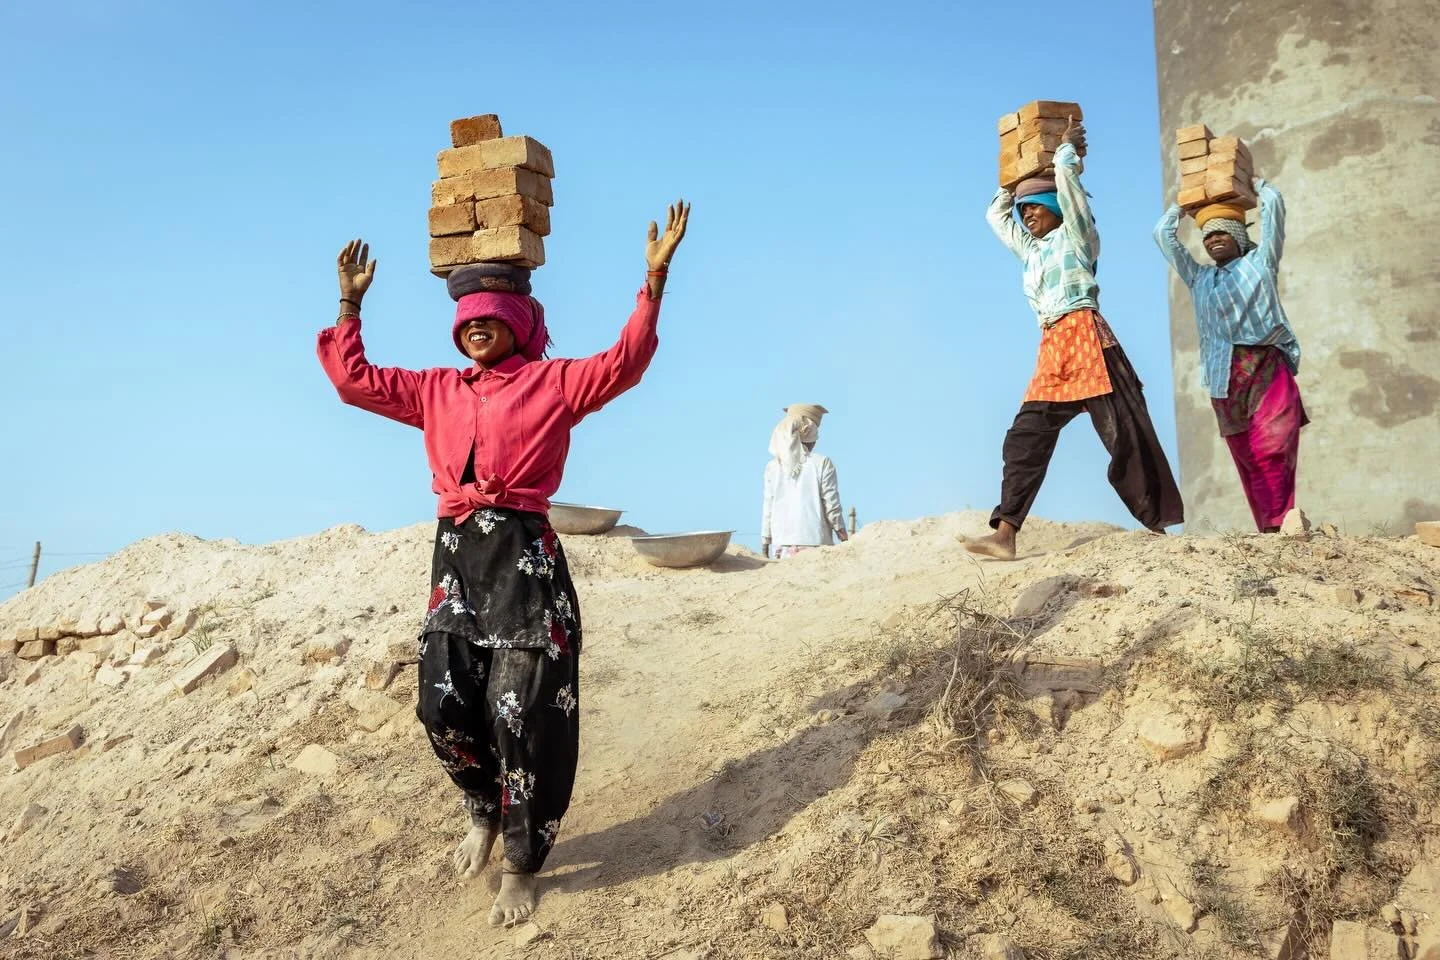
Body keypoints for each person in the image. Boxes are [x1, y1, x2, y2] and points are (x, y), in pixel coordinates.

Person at [316, 201, 691, 928]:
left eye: (490, 316)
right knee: (442, 700)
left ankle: (521, 863)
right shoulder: (434, 390)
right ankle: (483, 811)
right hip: (456, 555)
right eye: (467, 319)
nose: (476, 326)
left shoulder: (552, 386)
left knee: (522, 714)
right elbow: (351, 381)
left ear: (517, 324)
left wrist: (655, 275)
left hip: (525, 558)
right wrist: (349, 304)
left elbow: (627, 362)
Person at [966, 117, 1184, 561]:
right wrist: (1013, 181)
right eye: (1023, 210)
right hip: (1053, 350)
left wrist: (1065, 155)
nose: (1027, 215)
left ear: (1055, 205)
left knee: (1126, 437)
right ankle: (1005, 534)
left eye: (1034, 206)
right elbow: (995, 215)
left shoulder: (1078, 237)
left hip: (1090, 341)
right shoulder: (1031, 250)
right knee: (1024, 439)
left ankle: (1158, 532)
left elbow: (1073, 197)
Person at [1154, 181, 1305, 532]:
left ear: (1239, 236)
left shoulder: (1261, 262)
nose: (1213, 240)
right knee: (1247, 456)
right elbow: (1163, 236)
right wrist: (1182, 204)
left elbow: (1274, 210)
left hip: (1266, 366)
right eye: (1207, 236)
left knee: (1273, 446)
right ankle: (1268, 529)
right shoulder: (1199, 277)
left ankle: (1282, 523)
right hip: (1223, 378)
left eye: (1222, 233)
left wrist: (1254, 184)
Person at [761, 404, 848, 559]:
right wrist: (844, 536)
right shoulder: (822, 463)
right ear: (810, 433)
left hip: (781, 546)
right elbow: (832, 506)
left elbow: (768, 507)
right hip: (816, 543)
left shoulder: (772, 467)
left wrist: (765, 543)